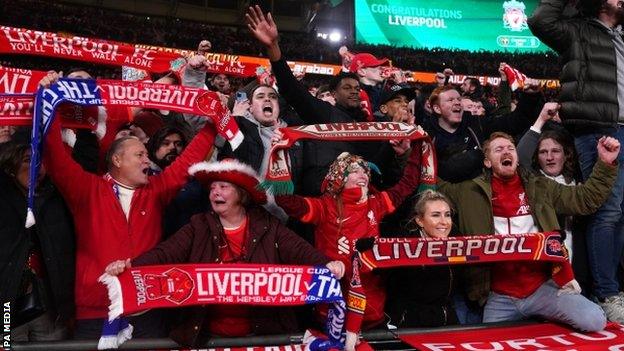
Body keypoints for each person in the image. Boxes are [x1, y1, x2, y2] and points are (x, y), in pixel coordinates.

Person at [39, 71, 219, 338]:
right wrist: (48, 102)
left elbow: (188, 159)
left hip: (147, 309)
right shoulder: (87, 188)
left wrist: (215, 120)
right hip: (95, 311)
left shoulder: (156, 190)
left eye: (147, 154)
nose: (147, 160)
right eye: (139, 154)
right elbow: (55, 155)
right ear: (117, 161)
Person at [104, 159, 345, 346]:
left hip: (262, 335)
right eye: (212, 188)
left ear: (241, 194)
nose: (215, 192)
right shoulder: (198, 225)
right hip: (208, 335)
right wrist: (131, 266)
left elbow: (301, 251)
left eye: (223, 186)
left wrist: (328, 264)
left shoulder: (268, 225)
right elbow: (166, 253)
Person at [439, 132, 619, 332]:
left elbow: (585, 199)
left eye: (510, 148)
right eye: (499, 149)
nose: (506, 152)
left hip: (542, 288)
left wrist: (605, 163)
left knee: (594, 321)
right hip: (500, 296)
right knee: (489, 343)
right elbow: (432, 185)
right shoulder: (468, 193)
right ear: (488, 162)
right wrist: (416, 149)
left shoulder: (540, 186)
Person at [275, 141, 424, 348]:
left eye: (365, 170)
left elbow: (408, 184)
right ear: (338, 177)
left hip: (372, 311)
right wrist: (278, 155)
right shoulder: (324, 206)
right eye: (354, 170)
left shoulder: (376, 203)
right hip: (331, 313)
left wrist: (416, 146)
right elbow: (284, 200)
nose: (363, 174)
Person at [529, 0, 624, 322]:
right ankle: (605, 292)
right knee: (607, 211)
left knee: (621, 213)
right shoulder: (577, 30)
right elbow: (541, 19)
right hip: (598, 127)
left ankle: (615, 287)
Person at [246, 6, 405, 195]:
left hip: (358, 202)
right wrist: (273, 47)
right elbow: (292, 89)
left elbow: (377, 169)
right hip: (321, 201)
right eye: (346, 88)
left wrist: (391, 144)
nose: (354, 92)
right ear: (334, 94)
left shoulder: (367, 126)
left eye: (357, 88)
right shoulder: (325, 113)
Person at [0, 143, 75, 341]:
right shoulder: (3, 198)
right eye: (27, 161)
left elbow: (84, 164)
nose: (36, 166)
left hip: (49, 307)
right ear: (9, 168)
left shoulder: (56, 196)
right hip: (6, 309)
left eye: (40, 161)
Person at [423, 85, 543, 183]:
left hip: (480, 193)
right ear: (437, 109)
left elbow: (513, 122)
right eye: (450, 100)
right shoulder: (425, 136)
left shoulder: (476, 124)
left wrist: (530, 97)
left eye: (459, 99)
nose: (457, 103)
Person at [385, 190, 458, 328]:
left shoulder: (456, 237)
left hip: (445, 316)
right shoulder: (402, 243)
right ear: (419, 220)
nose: (444, 222)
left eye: (447, 215)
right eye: (436, 215)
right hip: (408, 319)